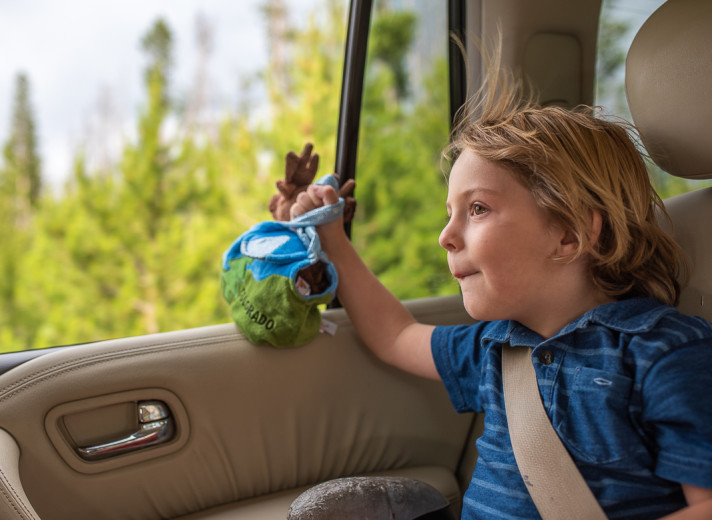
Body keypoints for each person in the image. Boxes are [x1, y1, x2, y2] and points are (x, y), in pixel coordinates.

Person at [289, 62, 712, 519]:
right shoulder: (496, 346)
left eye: (476, 209)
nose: (444, 236)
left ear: (568, 236)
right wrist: (331, 239)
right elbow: (394, 335)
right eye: (450, 213)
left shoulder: (665, 354)